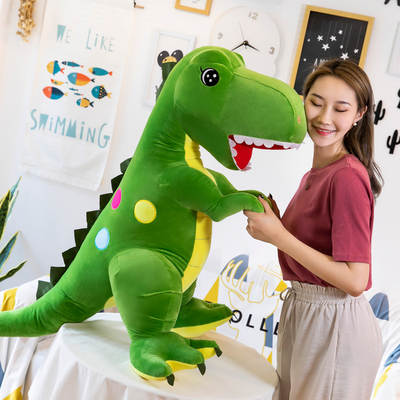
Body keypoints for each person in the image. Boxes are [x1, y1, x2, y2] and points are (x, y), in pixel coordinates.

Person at [244, 59, 384, 400]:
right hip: (308, 315)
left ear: (359, 114)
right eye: (316, 103)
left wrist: (279, 236)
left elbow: (354, 280)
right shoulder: (319, 172)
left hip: (334, 324)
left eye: (341, 108)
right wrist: (278, 226)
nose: (324, 118)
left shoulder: (346, 176)